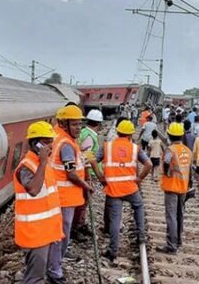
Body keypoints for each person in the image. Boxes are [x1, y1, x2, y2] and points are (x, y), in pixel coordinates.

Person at [12, 122, 63, 284]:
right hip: (34, 234)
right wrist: (43, 162)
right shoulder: (27, 166)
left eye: (51, 143)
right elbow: (33, 189)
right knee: (33, 279)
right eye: (46, 143)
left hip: (45, 231)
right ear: (35, 144)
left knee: (35, 277)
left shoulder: (42, 164)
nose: (50, 148)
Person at [48, 105, 92, 284]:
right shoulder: (66, 144)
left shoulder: (59, 137)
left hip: (61, 196)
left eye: (80, 124)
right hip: (65, 197)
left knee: (59, 234)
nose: (78, 128)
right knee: (61, 235)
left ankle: (54, 264)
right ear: (64, 124)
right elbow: (70, 174)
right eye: (74, 124)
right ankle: (55, 272)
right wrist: (86, 185)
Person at [98, 121, 151, 263]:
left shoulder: (107, 147)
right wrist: (139, 178)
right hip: (130, 188)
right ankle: (141, 236)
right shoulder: (135, 148)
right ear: (131, 134)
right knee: (138, 207)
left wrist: (101, 177)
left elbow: (93, 161)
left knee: (115, 220)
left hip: (114, 189)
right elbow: (149, 164)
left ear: (117, 131)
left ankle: (113, 251)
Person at [157, 123, 192, 254]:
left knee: (171, 216)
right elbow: (189, 170)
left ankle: (171, 245)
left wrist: (166, 173)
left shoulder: (170, 150)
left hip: (171, 186)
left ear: (170, 136)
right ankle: (178, 241)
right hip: (183, 187)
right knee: (179, 215)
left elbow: (166, 163)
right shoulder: (187, 150)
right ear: (182, 136)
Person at [72, 109, 104, 241]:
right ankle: (76, 228)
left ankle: (80, 224)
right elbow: (87, 157)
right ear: (99, 124)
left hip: (82, 171)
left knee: (83, 202)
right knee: (83, 203)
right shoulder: (90, 136)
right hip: (85, 173)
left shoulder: (84, 132)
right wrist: (96, 175)